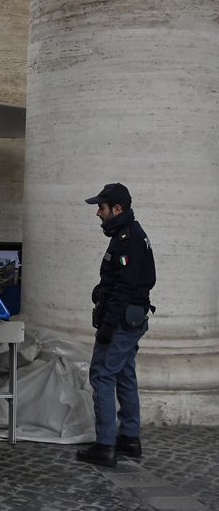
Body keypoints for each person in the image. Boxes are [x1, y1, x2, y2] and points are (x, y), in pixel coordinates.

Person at [77, 183, 155, 468]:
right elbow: (120, 281)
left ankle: (106, 445)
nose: (98, 213)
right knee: (124, 375)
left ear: (117, 209)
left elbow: (125, 287)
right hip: (128, 318)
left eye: (102, 207)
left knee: (102, 376)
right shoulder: (126, 235)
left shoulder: (128, 238)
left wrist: (108, 326)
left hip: (122, 321)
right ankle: (129, 439)